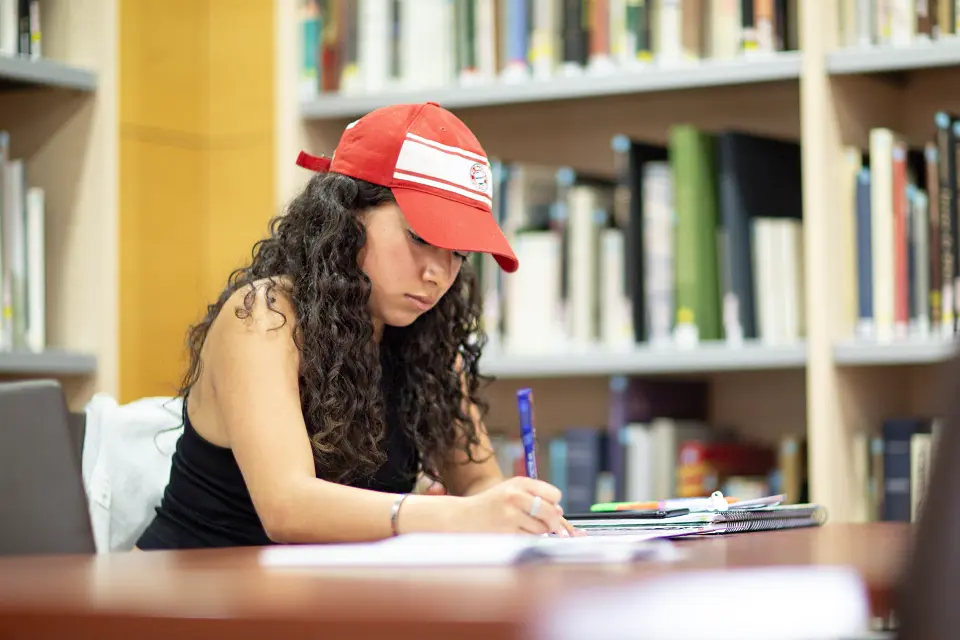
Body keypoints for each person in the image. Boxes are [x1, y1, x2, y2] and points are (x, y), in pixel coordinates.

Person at [135, 101, 578, 549]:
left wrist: (510, 507)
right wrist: (447, 514)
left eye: (460, 253)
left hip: (315, 600)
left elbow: (478, 481)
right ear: (347, 215)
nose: (439, 274)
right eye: (422, 237)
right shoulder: (264, 314)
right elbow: (287, 507)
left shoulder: (428, 340)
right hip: (188, 595)